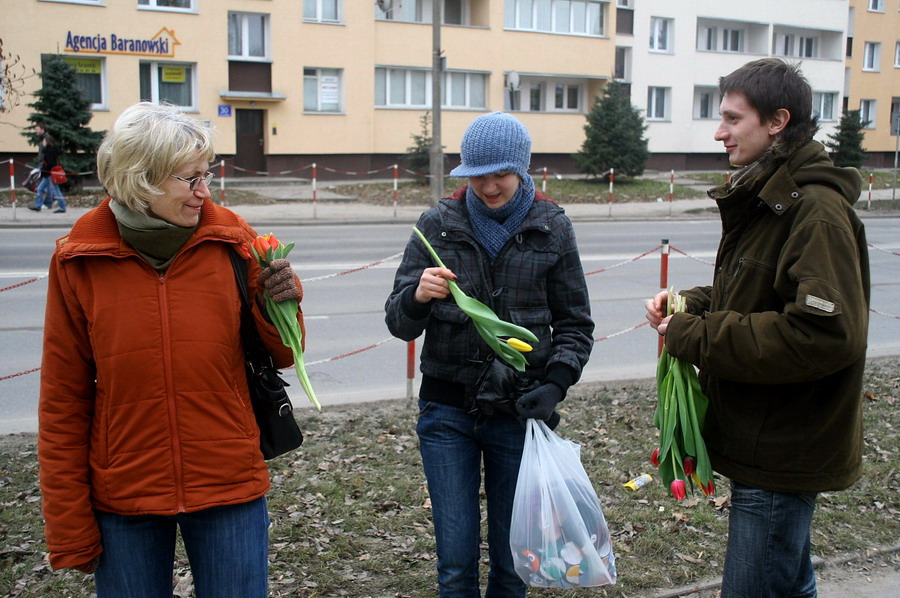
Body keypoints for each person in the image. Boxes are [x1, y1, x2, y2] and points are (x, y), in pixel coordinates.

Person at [38, 101, 306, 598]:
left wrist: (282, 304)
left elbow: (284, 355)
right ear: (142, 179)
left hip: (227, 482)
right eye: (190, 179)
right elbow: (62, 400)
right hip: (125, 492)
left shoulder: (234, 241)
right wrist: (68, 523)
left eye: (207, 174)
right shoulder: (79, 261)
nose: (204, 192)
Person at [644, 58, 870, 597]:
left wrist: (692, 336)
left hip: (782, 448)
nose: (719, 133)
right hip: (768, 438)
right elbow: (757, 289)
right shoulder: (772, 195)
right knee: (789, 585)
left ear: (776, 121)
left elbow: (821, 335)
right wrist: (689, 304)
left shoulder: (812, 210)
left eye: (731, 119)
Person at [385, 111, 594, 596]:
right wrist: (418, 295)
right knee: (455, 563)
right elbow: (398, 323)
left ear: (522, 170)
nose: (489, 186)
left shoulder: (551, 227)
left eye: (500, 174)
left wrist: (554, 384)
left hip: (517, 412)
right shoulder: (436, 225)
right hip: (446, 413)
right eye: (477, 175)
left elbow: (575, 324)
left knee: (512, 559)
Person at [28, 132, 67, 213]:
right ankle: (38, 206)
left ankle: (62, 207)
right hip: (48, 173)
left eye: (44, 141)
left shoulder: (49, 151)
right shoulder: (51, 149)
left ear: (48, 141)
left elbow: (50, 163)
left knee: (56, 190)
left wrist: (44, 169)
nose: (43, 143)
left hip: (49, 173)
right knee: (40, 189)